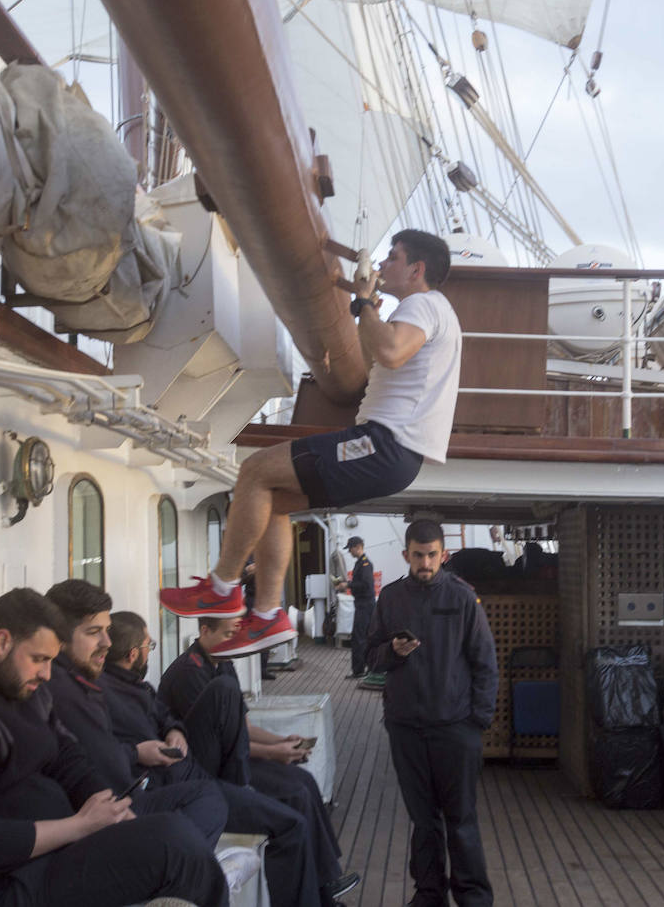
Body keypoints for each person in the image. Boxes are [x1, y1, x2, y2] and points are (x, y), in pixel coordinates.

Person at [160, 229, 461, 658]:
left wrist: (362, 303)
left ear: (417, 269)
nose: (382, 264)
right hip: (394, 453)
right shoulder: (429, 311)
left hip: (385, 442)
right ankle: (266, 616)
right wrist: (369, 308)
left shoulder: (424, 304)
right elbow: (385, 350)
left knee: (255, 470)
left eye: (392, 257)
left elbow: (391, 351)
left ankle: (223, 588)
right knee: (275, 501)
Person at [0, 588, 228, 907]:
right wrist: (80, 826)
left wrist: (109, 808)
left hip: (62, 851)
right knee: (174, 847)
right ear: (2, 642)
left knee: (178, 830)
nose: (46, 673)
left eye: (51, 661)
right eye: (38, 659)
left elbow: (68, 758)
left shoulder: (26, 690)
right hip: (6, 884)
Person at [42, 580, 330, 907]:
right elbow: (97, 764)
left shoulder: (127, 687)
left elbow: (163, 715)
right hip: (149, 790)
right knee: (276, 815)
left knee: (293, 790)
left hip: (174, 779)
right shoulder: (81, 692)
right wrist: (137, 753)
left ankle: (321, 887)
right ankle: (200, 865)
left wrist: (173, 730)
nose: (105, 642)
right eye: (94, 632)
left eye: (106, 632)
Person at [103, 610, 360, 907]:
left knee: (304, 782)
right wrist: (274, 754)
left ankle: (324, 884)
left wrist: (279, 742)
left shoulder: (170, 680)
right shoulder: (186, 672)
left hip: (203, 771)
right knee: (294, 802)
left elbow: (230, 726)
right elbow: (221, 738)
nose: (231, 641)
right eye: (227, 634)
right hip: (200, 773)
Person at [365, 519, 499, 907]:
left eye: (432, 555)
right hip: (406, 727)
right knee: (423, 821)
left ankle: (473, 898)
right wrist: (392, 652)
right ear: (406, 555)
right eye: (418, 555)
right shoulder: (390, 599)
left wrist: (478, 723)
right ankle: (428, 895)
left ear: (443, 554)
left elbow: (485, 663)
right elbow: (369, 656)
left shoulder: (461, 597)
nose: (425, 562)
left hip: (456, 728)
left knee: (461, 819)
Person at [334, 536, 376, 679]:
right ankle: (366, 668)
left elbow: (366, 585)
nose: (350, 552)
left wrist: (348, 585)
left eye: (351, 549)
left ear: (357, 547)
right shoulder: (361, 563)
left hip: (365, 606)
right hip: (364, 605)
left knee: (359, 638)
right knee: (364, 637)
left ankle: (359, 671)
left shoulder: (364, 564)